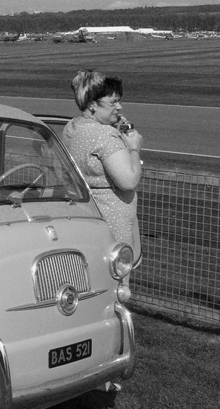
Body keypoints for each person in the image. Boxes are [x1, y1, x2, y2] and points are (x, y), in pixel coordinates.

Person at [62, 69, 143, 272]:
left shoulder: (71, 127)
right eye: (112, 103)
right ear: (92, 105)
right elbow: (129, 180)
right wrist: (133, 147)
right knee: (116, 284)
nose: (119, 107)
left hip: (87, 218)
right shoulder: (104, 135)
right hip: (113, 226)